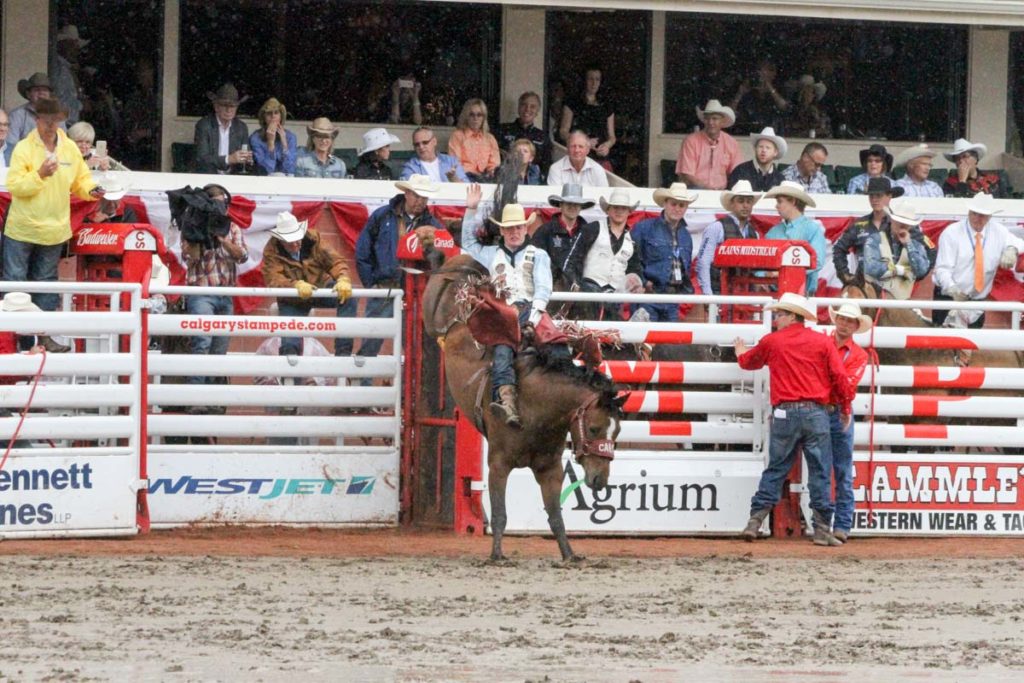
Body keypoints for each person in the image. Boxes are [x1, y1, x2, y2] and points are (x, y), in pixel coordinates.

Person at [735, 292, 853, 547]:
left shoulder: (772, 342)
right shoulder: (822, 343)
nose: (776, 319)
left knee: (776, 467)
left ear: (790, 316)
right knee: (821, 471)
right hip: (816, 412)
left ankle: (755, 521)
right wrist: (844, 407)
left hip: (784, 412)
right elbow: (840, 378)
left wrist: (740, 351)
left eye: (779, 315)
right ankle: (822, 529)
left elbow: (748, 363)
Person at [4, 97, 103, 332]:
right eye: (46, 121)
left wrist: (93, 191)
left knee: (45, 285)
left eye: (55, 122)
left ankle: (42, 337)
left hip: (54, 229)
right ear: (37, 121)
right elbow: (16, 187)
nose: (50, 127)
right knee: (16, 286)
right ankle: (13, 339)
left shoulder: (69, 148)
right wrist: (39, 174)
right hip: (23, 229)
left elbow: (81, 180)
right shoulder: (23, 148)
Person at [460, 185, 554, 428]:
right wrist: (471, 209)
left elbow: (543, 289)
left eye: (518, 227)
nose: (514, 232)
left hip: (532, 309)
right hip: (503, 314)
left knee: (558, 349)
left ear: (525, 228)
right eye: (509, 228)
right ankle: (507, 402)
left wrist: (533, 318)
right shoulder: (492, 254)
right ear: (502, 231)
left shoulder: (538, 255)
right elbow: (468, 243)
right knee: (502, 352)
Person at [351, 174, 442, 359]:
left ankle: (412, 388)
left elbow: (440, 261)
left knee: (414, 347)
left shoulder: (433, 226)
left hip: (414, 293)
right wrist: (371, 283)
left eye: (424, 197)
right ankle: (364, 382)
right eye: (417, 195)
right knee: (371, 343)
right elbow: (362, 252)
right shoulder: (382, 215)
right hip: (384, 289)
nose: (420, 201)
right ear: (407, 193)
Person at [179, 183, 248, 401]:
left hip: (225, 293)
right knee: (202, 344)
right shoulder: (192, 225)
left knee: (219, 349)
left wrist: (221, 238)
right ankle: (196, 398)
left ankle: (212, 400)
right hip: (201, 291)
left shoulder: (233, 228)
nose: (220, 208)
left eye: (223, 203)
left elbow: (242, 255)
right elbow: (190, 258)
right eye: (215, 204)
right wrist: (202, 235)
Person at [261, 211, 352, 357]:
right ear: (281, 241)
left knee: (348, 297)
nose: (296, 244)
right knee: (290, 344)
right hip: (292, 299)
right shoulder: (271, 250)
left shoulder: (314, 239)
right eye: (291, 242)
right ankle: (289, 377)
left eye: (298, 239)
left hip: (319, 288)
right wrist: (295, 285)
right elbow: (273, 279)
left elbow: (335, 261)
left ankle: (343, 352)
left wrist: (343, 278)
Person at [931, 192, 1024, 329]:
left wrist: (1012, 249)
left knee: (973, 345)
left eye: (982, 215)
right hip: (950, 298)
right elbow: (943, 268)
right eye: (974, 213)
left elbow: (1019, 242)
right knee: (943, 346)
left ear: (989, 216)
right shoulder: (952, 233)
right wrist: (951, 288)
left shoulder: (998, 231)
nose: (977, 218)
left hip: (977, 301)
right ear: (969, 212)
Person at [824, 302, 872, 544]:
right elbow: (845, 383)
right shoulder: (855, 354)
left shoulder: (858, 354)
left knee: (840, 470)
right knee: (827, 470)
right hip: (831, 409)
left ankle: (839, 524)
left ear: (855, 326)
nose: (844, 323)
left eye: (848, 320)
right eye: (841, 318)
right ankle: (828, 524)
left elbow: (846, 385)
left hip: (830, 408)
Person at [832, 177, 935, 286]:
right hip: (865, 285)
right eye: (871, 196)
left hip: (896, 285)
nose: (874, 200)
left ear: (889, 196)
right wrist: (845, 275)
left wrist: (917, 275)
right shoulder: (858, 225)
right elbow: (839, 249)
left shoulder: (902, 223)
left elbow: (931, 250)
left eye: (879, 196)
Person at [562, 189, 644, 321]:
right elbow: (572, 260)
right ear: (608, 210)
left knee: (612, 337)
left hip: (615, 297)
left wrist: (636, 283)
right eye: (615, 207)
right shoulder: (592, 229)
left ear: (629, 212)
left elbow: (635, 270)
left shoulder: (632, 240)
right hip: (588, 293)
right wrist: (575, 285)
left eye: (623, 208)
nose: (619, 211)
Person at [631, 182, 698, 321]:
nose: (677, 209)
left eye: (682, 205)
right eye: (674, 204)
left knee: (668, 341)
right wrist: (644, 282)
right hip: (649, 296)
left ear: (686, 208)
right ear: (665, 204)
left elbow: (686, 267)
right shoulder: (644, 228)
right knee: (644, 340)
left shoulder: (686, 235)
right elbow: (632, 260)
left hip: (673, 298)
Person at [695, 180, 762, 295]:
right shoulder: (717, 228)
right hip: (719, 291)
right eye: (741, 201)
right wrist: (708, 295)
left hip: (744, 294)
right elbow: (703, 263)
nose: (745, 205)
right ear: (732, 204)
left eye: (749, 202)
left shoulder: (754, 234)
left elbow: (754, 269)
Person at [861, 199, 933, 299]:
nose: (902, 226)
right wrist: (900, 271)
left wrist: (908, 244)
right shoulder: (874, 239)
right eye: (899, 222)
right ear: (892, 220)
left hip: (901, 307)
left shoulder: (916, 245)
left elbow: (921, 271)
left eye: (906, 224)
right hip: (876, 303)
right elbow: (871, 268)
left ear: (911, 226)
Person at [764, 181, 827, 295]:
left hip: (802, 295)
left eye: (780, 201)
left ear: (793, 201)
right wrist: (763, 275)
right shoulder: (773, 232)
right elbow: (761, 261)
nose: (776, 206)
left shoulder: (812, 229)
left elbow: (817, 261)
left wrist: (782, 273)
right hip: (775, 295)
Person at [532, 183, 595, 291]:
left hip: (581, 289)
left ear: (581, 207)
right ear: (561, 205)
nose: (572, 207)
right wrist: (557, 279)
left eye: (576, 204)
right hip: (550, 287)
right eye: (568, 203)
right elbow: (535, 259)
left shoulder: (588, 232)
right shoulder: (545, 231)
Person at [675, 99, 742, 190]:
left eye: (715, 118)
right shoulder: (691, 141)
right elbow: (687, 174)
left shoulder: (731, 143)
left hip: (721, 192)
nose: (710, 122)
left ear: (722, 121)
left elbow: (737, 172)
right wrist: (708, 189)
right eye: (707, 118)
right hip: (695, 190)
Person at [559, 67, 616, 167]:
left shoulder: (606, 105)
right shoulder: (572, 103)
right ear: (584, 81)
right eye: (590, 79)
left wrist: (607, 145)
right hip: (578, 158)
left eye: (597, 79)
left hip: (601, 159)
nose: (594, 83)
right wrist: (584, 142)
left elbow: (612, 137)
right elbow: (563, 132)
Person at [193, 83, 252, 174]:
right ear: (216, 107)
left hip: (233, 176)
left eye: (232, 106)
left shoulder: (241, 127)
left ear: (236, 108)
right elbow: (202, 158)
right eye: (225, 106)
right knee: (208, 169)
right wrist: (228, 159)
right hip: (210, 176)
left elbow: (245, 157)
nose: (229, 110)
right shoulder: (204, 125)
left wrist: (248, 160)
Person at [729, 60, 790, 135]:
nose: (761, 74)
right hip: (747, 134)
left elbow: (785, 107)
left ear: (773, 74)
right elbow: (729, 114)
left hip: (774, 132)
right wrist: (740, 93)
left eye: (765, 71)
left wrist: (770, 88)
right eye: (759, 70)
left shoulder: (780, 89)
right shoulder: (749, 93)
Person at [448, 99, 501, 182]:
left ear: (484, 118)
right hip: (465, 177)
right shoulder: (457, 136)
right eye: (471, 114)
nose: (475, 118)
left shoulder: (490, 138)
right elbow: (455, 162)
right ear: (466, 117)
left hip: (486, 178)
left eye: (479, 115)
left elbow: (494, 164)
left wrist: (491, 173)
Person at [497, 91, 549, 174]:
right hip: (505, 177)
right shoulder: (502, 130)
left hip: (533, 182)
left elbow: (546, 165)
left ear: (537, 111)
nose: (527, 109)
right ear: (518, 107)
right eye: (524, 105)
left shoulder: (542, 137)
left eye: (532, 106)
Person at [8, 73, 65, 144]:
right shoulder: (17, 116)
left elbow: (63, 143)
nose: (41, 93)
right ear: (28, 94)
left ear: (49, 95)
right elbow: (10, 145)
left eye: (45, 90)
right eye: (37, 90)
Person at [727, 127, 786, 192]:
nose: (763, 150)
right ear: (755, 149)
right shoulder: (740, 171)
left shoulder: (780, 179)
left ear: (775, 152)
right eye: (760, 147)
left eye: (768, 148)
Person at [401, 126, 469, 182]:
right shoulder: (410, 167)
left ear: (434, 141)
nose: (421, 147)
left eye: (425, 142)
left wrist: (454, 178)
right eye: (417, 144)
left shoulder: (451, 161)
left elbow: (467, 189)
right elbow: (407, 192)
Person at [49, 25, 87, 125]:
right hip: (62, 124)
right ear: (63, 44)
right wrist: (82, 106)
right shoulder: (58, 68)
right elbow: (58, 99)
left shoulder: (66, 68)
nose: (77, 48)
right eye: (74, 44)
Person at [249, 97, 297, 176]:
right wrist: (270, 144)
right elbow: (266, 170)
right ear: (264, 118)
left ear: (281, 116)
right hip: (264, 181)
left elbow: (290, 169)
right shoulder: (256, 138)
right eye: (269, 113)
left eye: (276, 113)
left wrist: (285, 144)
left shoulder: (290, 137)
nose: (273, 116)